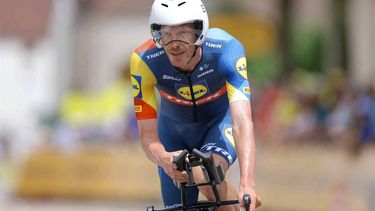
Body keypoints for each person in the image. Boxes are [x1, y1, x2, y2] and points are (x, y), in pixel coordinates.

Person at [130, 0, 261, 210]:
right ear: (156, 34)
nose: (174, 43)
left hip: (219, 123)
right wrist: (164, 158)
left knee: (205, 176)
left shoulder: (226, 49)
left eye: (183, 33)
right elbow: (147, 137)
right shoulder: (144, 60)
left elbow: (242, 122)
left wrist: (247, 183)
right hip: (172, 133)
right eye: (166, 33)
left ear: (199, 31)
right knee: (180, 205)